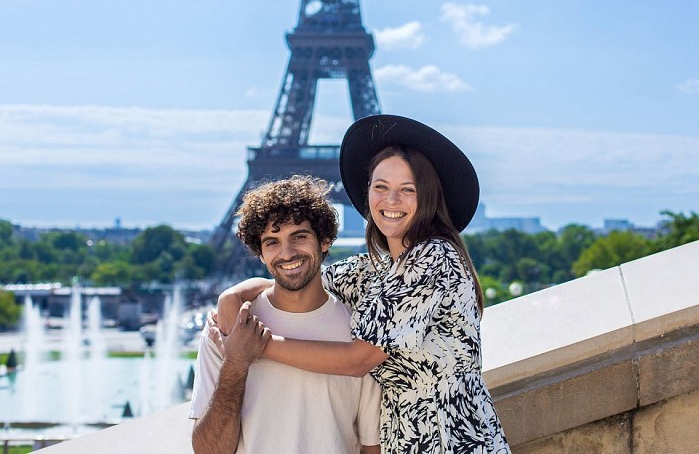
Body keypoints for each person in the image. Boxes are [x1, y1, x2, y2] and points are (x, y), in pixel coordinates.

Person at [214, 114, 510, 452]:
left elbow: (358, 360)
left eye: (407, 189)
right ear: (368, 191)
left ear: (427, 197)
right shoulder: (376, 271)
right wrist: (232, 296)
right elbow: (299, 276)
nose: (391, 200)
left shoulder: (434, 257)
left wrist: (256, 345)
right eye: (381, 187)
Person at [189, 175, 381, 454]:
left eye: (298, 237)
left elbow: (370, 447)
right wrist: (236, 363)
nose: (287, 253)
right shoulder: (226, 328)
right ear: (261, 254)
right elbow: (209, 451)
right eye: (272, 242)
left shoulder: (361, 331)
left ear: (324, 241)